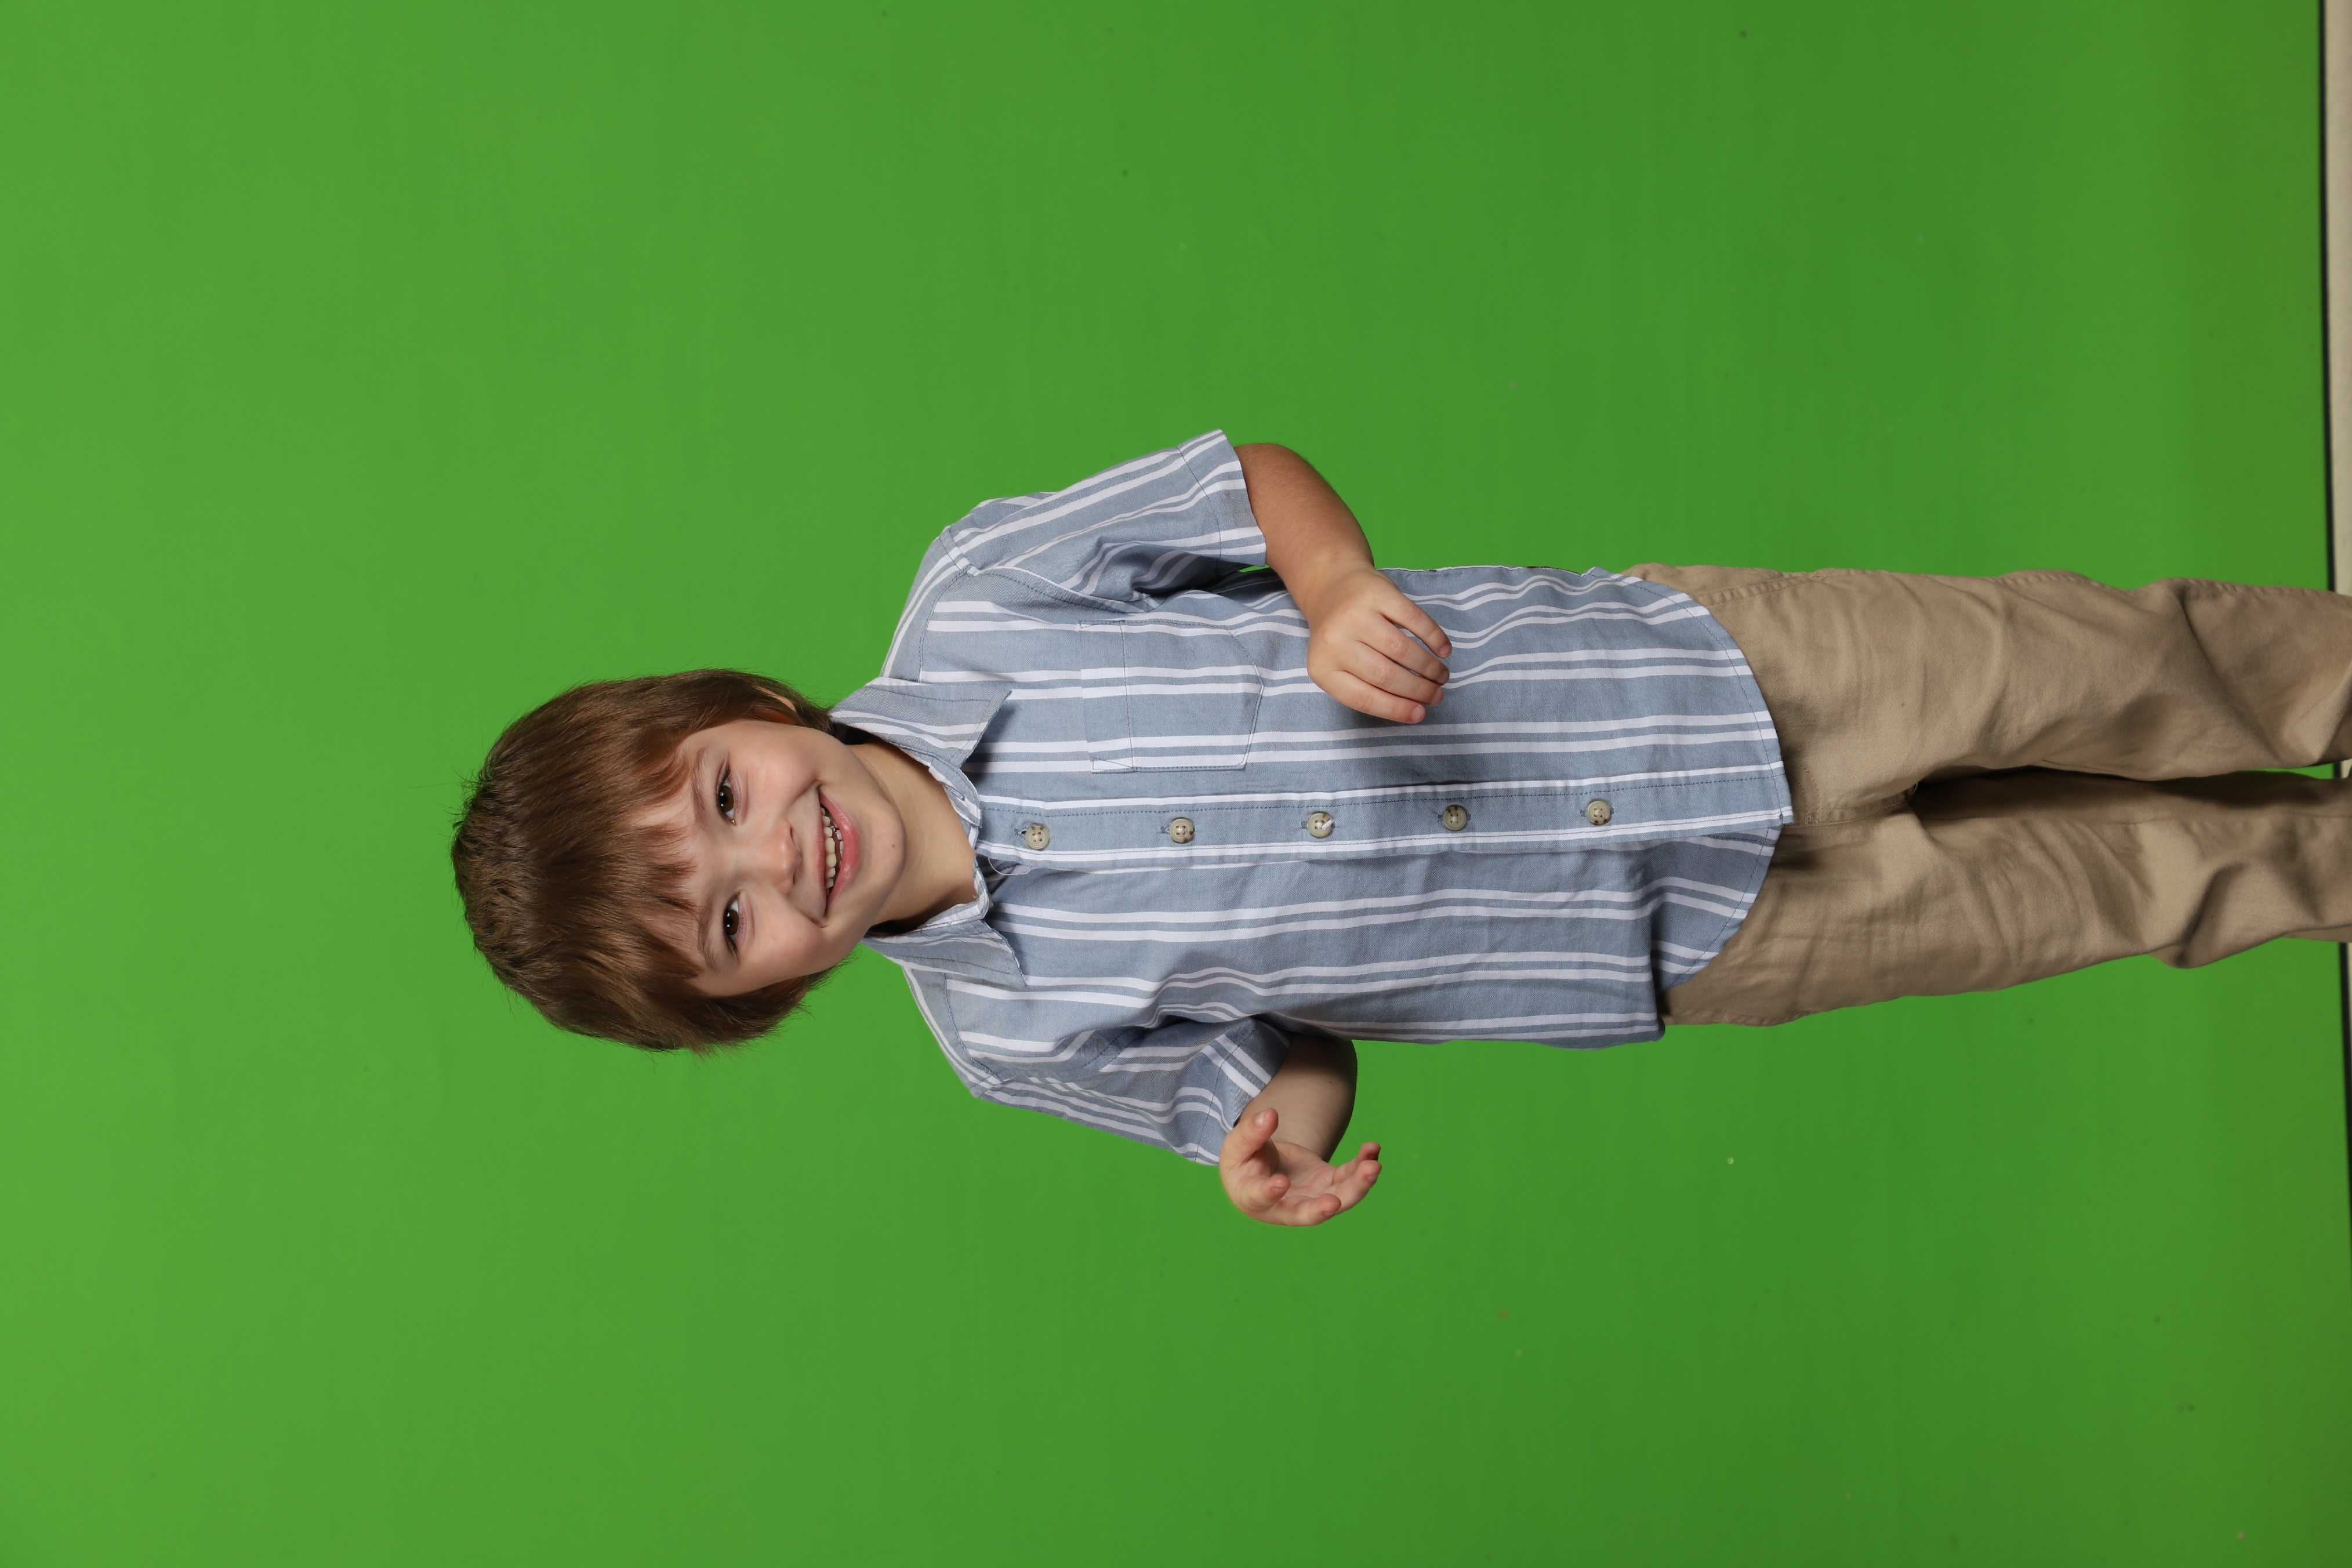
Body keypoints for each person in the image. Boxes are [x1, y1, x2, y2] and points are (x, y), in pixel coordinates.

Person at [451, 432, 2352, 1226]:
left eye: (723, 799)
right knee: (2120, 888)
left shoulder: (981, 597)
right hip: (1685, 940)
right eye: (727, 924)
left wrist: (1336, 581)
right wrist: (1279, 1139)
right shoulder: (1010, 1038)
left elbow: (1245, 481)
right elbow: (1288, 1055)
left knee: (2115, 667)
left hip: (1695, 675)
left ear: (746, 710)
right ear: (758, 998)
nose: (776, 858)